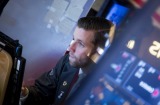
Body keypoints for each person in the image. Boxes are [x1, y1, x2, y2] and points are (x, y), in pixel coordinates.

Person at [19, 16, 115, 105]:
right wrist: (23, 92)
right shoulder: (67, 61)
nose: (70, 48)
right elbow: (42, 93)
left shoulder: (104, 89)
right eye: (73, 39)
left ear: (98, 51)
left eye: (81, 44)